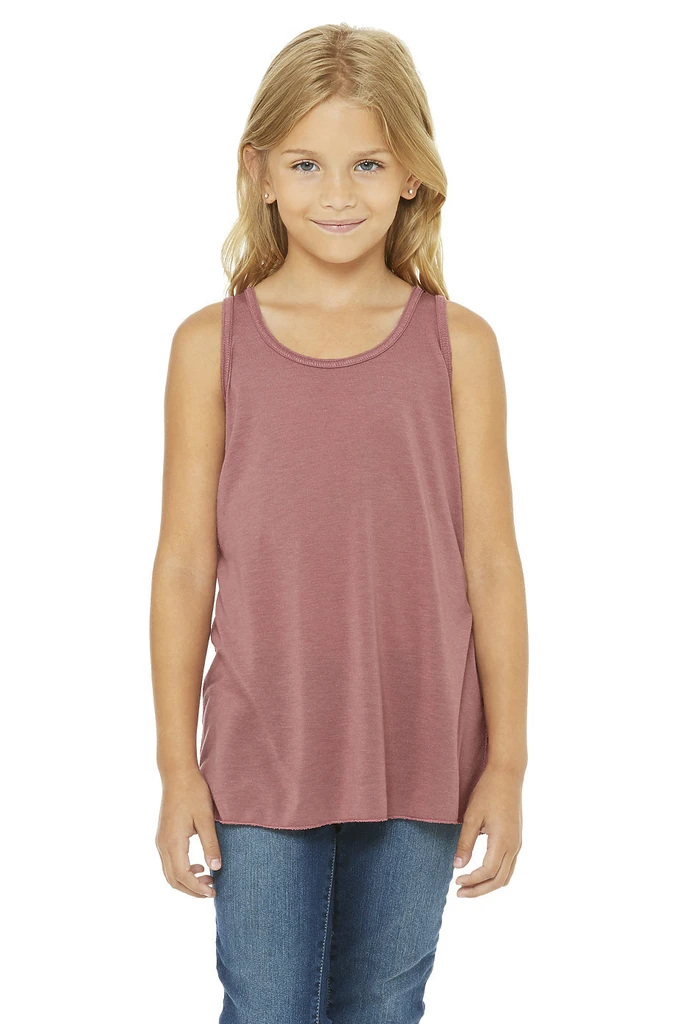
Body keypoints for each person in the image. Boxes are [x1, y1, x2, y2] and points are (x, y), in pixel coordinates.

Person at [150, 22, 528, 1024]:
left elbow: (492, 563)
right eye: (305, 163)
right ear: (259, 172)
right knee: (266, 1003)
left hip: (422, 744)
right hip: (261, 744)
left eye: (366, 162)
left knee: (381, 1004)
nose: (337, 192)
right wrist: (175, 765)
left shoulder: (458, 345)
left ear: (411, 173)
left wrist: (507, 761)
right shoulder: (210, 347)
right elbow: (184, 565)